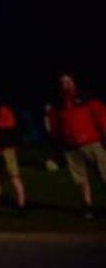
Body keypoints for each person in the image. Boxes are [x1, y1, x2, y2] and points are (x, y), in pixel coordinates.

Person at [45, 73, 106, 219]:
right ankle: (88, 207)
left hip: (93, 144)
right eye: (62, 82)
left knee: (104, 175)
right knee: (81, 180)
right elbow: (54, 129)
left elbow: (101, 118)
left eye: (68, 81)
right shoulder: (57, 105)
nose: (65, 85)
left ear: (74, 83)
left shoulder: (87, 99)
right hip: (71, 148)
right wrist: (57, 149)